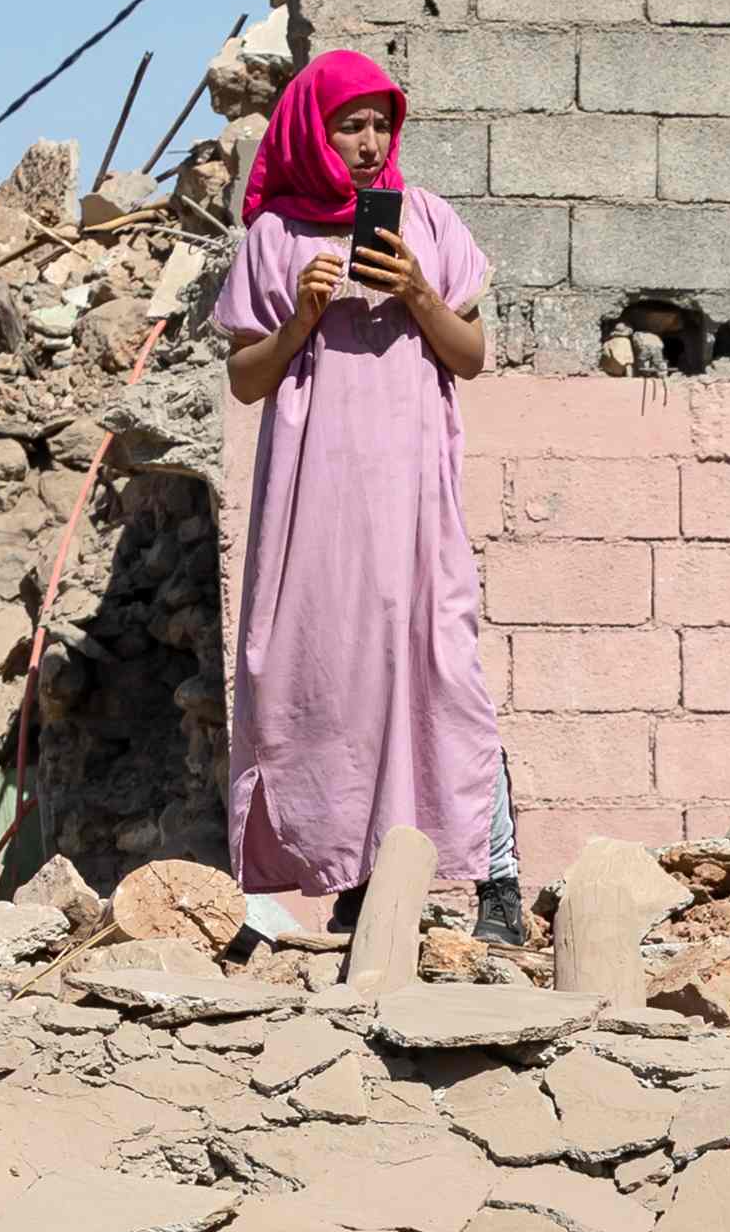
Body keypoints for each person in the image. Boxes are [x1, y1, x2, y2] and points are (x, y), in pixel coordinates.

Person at [211, 49, 524, 948]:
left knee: (443, 671)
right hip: (314, 508)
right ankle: (356, 881)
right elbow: (245, 380)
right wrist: (302, 318)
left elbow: (470, 356)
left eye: (381, 125)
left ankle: (497, 879)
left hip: (414, 497)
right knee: (328, 679)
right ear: (311, 132)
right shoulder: (274, 239)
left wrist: (418, 291)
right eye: (350, 125)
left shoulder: (425, 220)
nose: (369, 142)